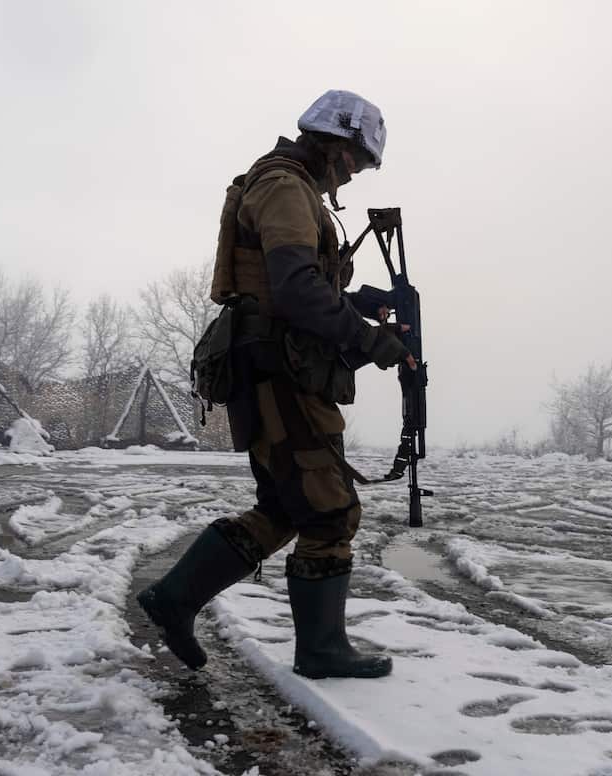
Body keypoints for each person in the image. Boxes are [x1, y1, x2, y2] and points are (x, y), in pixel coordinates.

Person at [137, 90, 413, 680]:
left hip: (277, 368)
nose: (357, 175)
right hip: (280, 373)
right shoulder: (287, 188)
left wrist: (363, 303)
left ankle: (175, 598)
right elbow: (293, 291)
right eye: (359, 162)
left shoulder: (289, 187)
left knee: (286, 507)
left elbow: (297, 283)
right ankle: (320, 651)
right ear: (336, 144)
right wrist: (368, 340)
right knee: (330, 513)